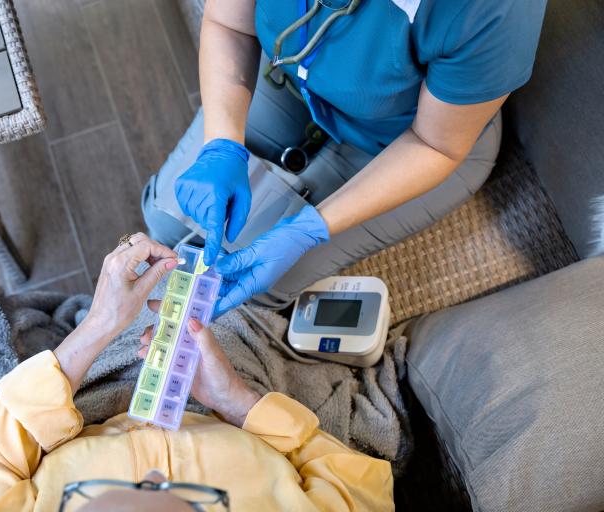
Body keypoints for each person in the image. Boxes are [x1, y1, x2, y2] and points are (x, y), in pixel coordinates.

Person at [142, 0, 547, 316]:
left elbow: (436, 144)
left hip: (413, 142)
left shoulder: (492, 10)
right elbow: (228, 24)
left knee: (257, 286)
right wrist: (222, 146)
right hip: (291, 78)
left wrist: (309, 228)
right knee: (165, 215)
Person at [0, 233, 394, 511]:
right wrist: (236, 400)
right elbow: (358, 480)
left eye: (85, 500)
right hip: (236, 386)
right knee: (251, 260)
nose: (158, 477)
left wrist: (99, 325)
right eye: (196, 501)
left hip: (88, 391)